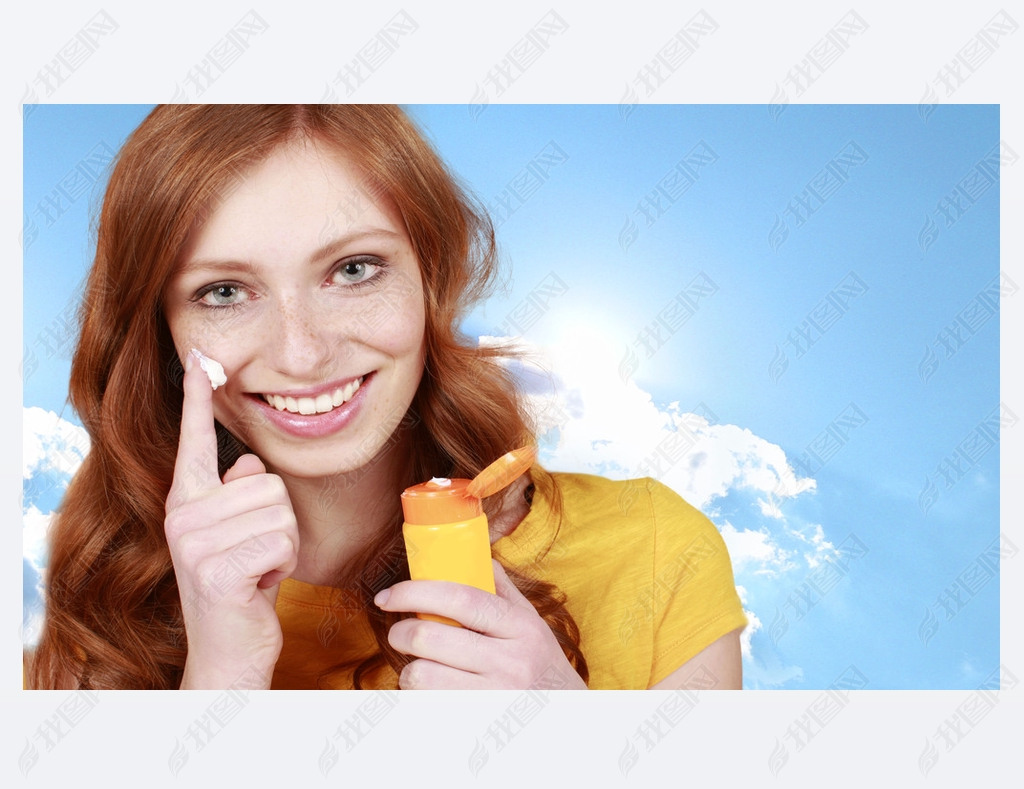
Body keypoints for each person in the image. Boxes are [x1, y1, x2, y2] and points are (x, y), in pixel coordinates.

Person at [26, 105, 745, 692]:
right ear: (162, 335)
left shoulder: (656, 553)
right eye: (224, 292)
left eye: (354, 269)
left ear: (431, 279)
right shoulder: (98, 595)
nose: (302, 353)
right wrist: (222, 676)